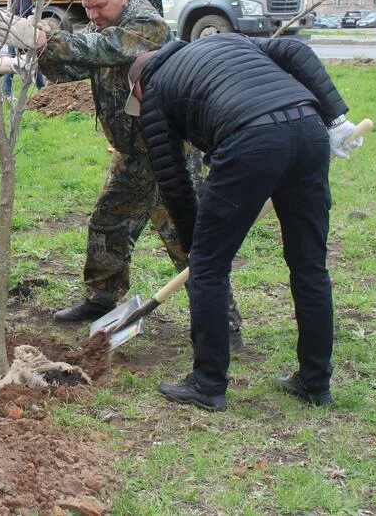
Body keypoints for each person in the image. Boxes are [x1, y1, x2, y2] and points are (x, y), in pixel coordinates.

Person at [0, 0, 245, 350]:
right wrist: (35, 52)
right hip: (131, 154)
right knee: (108, 222)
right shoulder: (102, 25)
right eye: (88, 9)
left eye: (100, 7)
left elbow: (105, 48)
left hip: (168, 153)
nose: (93, 16)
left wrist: (45, 37)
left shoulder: (147, 26)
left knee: (185, 238)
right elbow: (75, 65)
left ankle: (223, 324)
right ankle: (102, 297)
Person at [125, 33, 363, 412]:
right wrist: (335, 117)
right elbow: (294, 49)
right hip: (309, 129)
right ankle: (315, 383)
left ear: (138, 85)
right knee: (309, 265)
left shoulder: (153, 92)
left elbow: (172, 180)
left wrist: (195, 249)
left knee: (209, 268)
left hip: (250, 138)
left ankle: (207, 384)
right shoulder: (230, 42)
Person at [1, 0, 46, 100]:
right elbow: (24, 13)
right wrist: (32, 21)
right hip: (20, 32)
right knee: (18, 61)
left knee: (19, 60)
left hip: (13, 30)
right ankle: (8, 92)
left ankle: (41, 88)